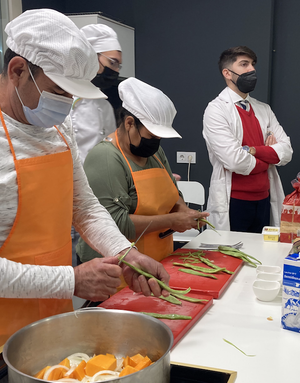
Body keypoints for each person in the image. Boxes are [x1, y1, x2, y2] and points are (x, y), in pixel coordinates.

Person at [0, 10, 169, 378]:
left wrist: (125, 252)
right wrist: (72, 280)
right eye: (59, 91)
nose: (66, 105)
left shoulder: (54, 124)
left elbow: (83, 207)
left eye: (73, 96)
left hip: (49, 316)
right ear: (18, 69)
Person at [76, 77, 209, 266]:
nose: (155, 143)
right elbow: (114, 224)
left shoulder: (155, 153)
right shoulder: (106, 157)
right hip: (117, 266)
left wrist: (184, 212)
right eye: (151, 136)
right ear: (130, 123)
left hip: (156, 257)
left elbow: (173, 193)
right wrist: (172, 220)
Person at [203, 46, 293, 233]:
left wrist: (252, 150)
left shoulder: (264, 109)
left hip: (264, 199)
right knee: (232, 256)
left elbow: (286, 152)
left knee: (263, 256)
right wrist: (269, 158)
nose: (251, 69)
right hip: (234, 201)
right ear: (227, 73)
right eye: (244, 64)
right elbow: (234, 161)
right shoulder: (216, 110)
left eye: (252, 64)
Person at [70, 24, 123, 162]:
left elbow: (112, 148)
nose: (116, 71)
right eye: (112, 63)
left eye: (118, 65)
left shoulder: (104, 105)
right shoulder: (65, 101)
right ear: (91, 57)